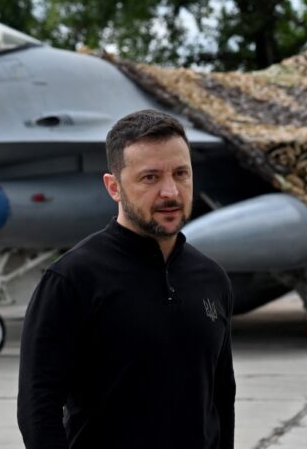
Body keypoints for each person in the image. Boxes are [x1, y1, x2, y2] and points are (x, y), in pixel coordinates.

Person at [17, 109, 235, 448]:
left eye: (181, 174)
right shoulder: (71, 279)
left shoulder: (212, 278)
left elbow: (222, 398)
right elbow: (37, 408)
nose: (170, 192)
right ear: (114, 187)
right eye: (150, 177)